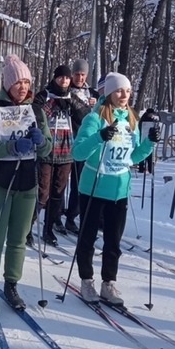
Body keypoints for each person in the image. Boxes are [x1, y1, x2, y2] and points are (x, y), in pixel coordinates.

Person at [72, 72, 159, 305]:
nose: (124, 95)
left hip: (119, 188)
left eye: (128, 91)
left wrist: (150, 143)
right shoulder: (95, 118)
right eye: (119, 90)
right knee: (88, 238)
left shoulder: (131, 119)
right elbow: (77, 152)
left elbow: (133, 157)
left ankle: (108, 283)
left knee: (113, 242)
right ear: (109, 92)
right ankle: (86, 280)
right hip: (94, 187)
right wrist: (99, 137)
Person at [0, 54, 52, 314]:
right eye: (17, 82)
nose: (22, 87)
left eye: (26, 82)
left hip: (27, 183)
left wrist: (40, 141)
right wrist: (10, 146)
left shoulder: (36, 111)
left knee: (18, 239)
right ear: (7, 84)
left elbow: (48, 148)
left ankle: (11, 284)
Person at [31, 65, 87, 246]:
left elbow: (85, 116)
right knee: (42, 192)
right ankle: (27, 227)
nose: (64, 81)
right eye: (61, 78)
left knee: (58, 192)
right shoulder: (44, 95)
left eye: (67, 78)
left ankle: (49, 227)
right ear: (55, 78)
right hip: (47, 150)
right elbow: (35, 115)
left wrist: (72, 104)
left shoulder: (72, 97)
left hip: (66, 151)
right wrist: (52, 105)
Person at [65, 59, 100, 234]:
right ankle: (56, 215)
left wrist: (94, 105)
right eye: (77, 74)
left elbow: (102, 112)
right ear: (72, 74)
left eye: (82, 74)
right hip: (66, 141)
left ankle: (73, 216)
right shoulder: (66, 90)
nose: (79, 77)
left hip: (85, 143)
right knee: (62, 183)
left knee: (80, 183)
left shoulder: (92, 93)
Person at [138, 108, 158, 174]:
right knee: (143, 154)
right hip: (143, 138)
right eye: (151, 114)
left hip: (149, 140)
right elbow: (141, 127)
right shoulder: (143, 119)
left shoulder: (151, 120)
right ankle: (141, 168)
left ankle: (150, 169)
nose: (152, 115)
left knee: (150, 155)